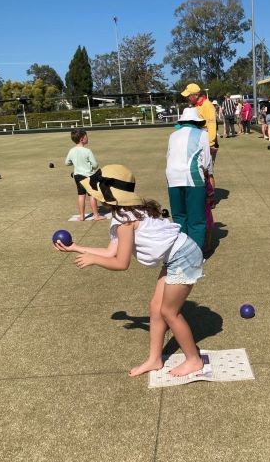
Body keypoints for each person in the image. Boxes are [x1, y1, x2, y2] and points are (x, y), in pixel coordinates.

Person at [55, 164, 204, 378]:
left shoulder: (126, 220)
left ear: (110, 197)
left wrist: (92, 260)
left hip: (184, 256)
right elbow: (110, 251)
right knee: (155, 308)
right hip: (175, 255)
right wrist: (76, 248)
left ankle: (193, 360)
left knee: (169, 312)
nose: (96, 199)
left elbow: (121, 263)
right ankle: (154, 359)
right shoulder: (123, 214)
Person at [166, 107, 213, 250]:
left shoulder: (173, 135)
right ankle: (195, 254)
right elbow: (206, 162)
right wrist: (209, 177)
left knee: (179, 217)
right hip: (193, 178)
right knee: (197, 219)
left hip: (172, 178)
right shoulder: (203, 134)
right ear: (197, 121)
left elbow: (168, 156)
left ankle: (181, 253)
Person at [65, 128, 106, 221]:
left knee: (81, 195)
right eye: (86, 136)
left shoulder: (71, 151)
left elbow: (67, 163)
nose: (88, 138)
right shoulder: (87, 151)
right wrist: (92, 166)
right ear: (82, 139)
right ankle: (96, 215)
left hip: (77, 176)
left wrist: (75, 162)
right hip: (89, 176)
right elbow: (95, 165)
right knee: (92, 195)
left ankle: (81, 216)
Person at [181, 83, 218, 168]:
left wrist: (210, 145)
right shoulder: (195, 105)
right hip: (198, 143)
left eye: (188, 95)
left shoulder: (207, 105)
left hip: (207, 144)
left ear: (196, 95)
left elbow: (211, 126)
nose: (187, 98)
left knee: (208, 173)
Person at [204, 170, 215, 253]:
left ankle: (208, 245)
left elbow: (211, 197)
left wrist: (208, 199)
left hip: (206, 211)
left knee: (208, 229)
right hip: (197, 210)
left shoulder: (208, 185)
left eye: (205, 178)